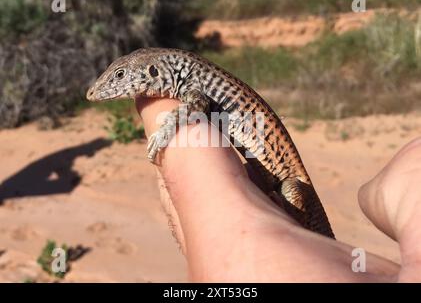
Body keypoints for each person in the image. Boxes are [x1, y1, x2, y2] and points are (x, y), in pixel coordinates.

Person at [136, 97, 421, 282]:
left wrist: (169, 126)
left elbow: (196, 104)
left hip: (287, 181)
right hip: (274, 177)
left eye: (122, 77)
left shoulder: (192, 89)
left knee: (293, 207)